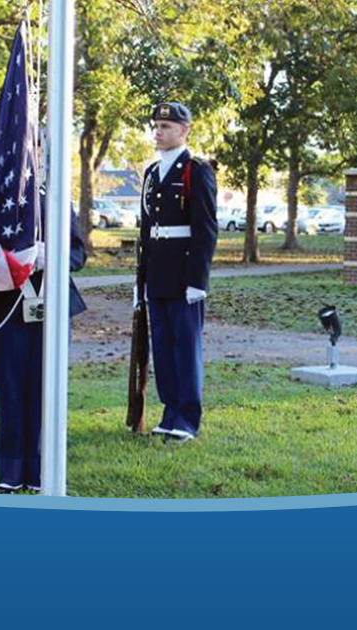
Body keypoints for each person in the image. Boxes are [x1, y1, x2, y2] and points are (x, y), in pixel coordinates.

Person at [0, 208, 87, 494]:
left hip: (53, 305)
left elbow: (78, 253)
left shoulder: (56, 197)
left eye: (38, 157)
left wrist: (54, 256)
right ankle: (11, 471)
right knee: (10, 390)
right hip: (4, 304)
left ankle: (41, 469)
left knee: (45, 390)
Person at [134, 102, 219, 443]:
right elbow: (145, 233)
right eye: (156, 125)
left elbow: (206, 229)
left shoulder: (195, 170)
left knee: (186, 347)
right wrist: (140, 282)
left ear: (184, 131)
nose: (159, 131)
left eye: (167, 126)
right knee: (164, 348)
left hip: (184, 274)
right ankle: (170, 412)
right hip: (157, 273)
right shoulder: (153, 172)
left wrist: (197, 281)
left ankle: (187, 418)